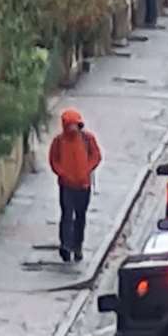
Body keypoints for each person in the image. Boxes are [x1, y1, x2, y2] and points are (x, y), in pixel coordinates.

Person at [48, 107, 103, 263]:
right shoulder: (58, 141)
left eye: (76, 125)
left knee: (80, 217)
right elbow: (54, 160)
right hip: (66, 185)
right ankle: (65, 245)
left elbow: (96, 155)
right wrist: (62, 173)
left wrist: (87, 169)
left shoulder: (87, 139)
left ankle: (77, 245)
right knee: (67, 215)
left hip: (83, 185)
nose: (73, 129)